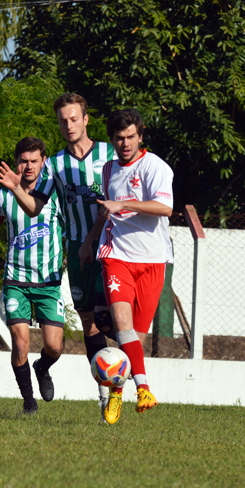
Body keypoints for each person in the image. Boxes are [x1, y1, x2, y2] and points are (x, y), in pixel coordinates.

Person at [0, 93, 116, 418]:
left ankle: (129, 376)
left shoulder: (108, 153)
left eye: (74, 118)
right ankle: (107, 396)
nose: (68, 124)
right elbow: (35, 207)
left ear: (86, 119)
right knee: (91, 326)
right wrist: (17, 189)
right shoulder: (55, 164)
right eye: (63, 120)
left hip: (114, 245)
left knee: (113, 319)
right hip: (78, 252)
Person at [0, 137, 65, 415]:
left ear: (43, 162)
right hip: (16, 281)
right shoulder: (3, 196)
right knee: (21, 343)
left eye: (34, 160)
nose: (28, 166)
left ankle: (43, 367)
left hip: (48, 282)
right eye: (23, 160)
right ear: (16, 162)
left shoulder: (55, 194)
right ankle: (28, 402)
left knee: (54, 346)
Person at [93, 108, 174, 424]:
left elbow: (165, 207)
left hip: (152, 261)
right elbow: (107, 209)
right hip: (117, 257)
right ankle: (144, 389)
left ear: (140, 136)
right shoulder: (109, 169)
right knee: (123, 327)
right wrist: (90, 242)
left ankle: (115, 395)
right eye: (119, 138)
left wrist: (123, 204)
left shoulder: (155, 166)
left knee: (133, 344)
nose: (124, 143)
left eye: (130, 137)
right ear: (112, 140)